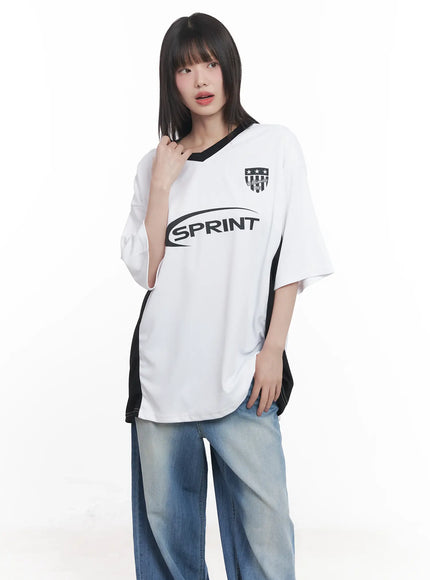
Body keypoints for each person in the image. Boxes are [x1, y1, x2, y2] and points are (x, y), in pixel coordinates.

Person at [120, 12, 334, 580]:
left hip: (244, 374)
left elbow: (294, 256)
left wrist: (273, 350)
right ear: (170, 81)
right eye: (185, 69)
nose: (200, 79)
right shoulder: (154, 167)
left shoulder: (274, 146)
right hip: (164, 382)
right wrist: (162, 186)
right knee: (169, 547)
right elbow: (146, 271)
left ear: (228, 67)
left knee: (268, 545)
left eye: (210, 63)